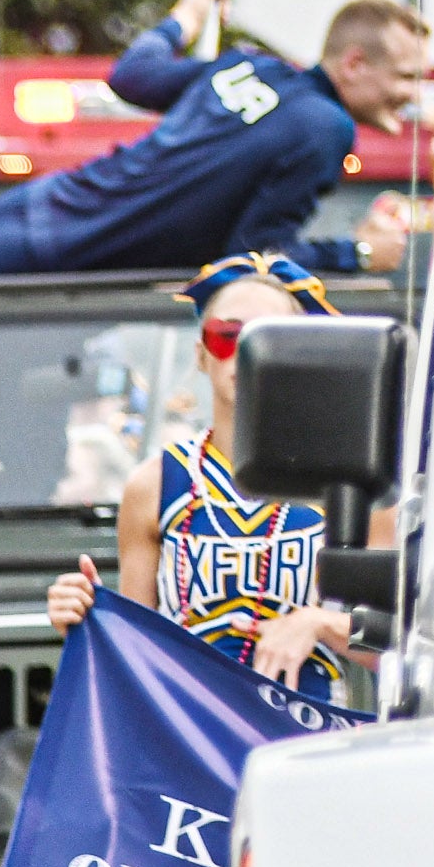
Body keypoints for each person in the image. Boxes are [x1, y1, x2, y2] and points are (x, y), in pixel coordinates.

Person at [44, 257, 370, 697]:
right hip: (193, 740)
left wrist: (317, 623)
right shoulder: (155, 486)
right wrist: (87, 618)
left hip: (309, 740)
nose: (247, 352)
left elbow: (398, 645)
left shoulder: (350, 482)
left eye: (269, 336)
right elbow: (136, 659)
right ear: (200, 354)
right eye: (227, 336)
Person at [0, 0, 428, 279]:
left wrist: (182, 19)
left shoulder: (248, 65)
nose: (414, 95)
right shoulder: (326, 129)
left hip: (14, 216)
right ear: (354, 63)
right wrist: (360, 253)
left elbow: (132, 74)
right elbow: (248, 259)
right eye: (406, 77)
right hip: (45, 262)